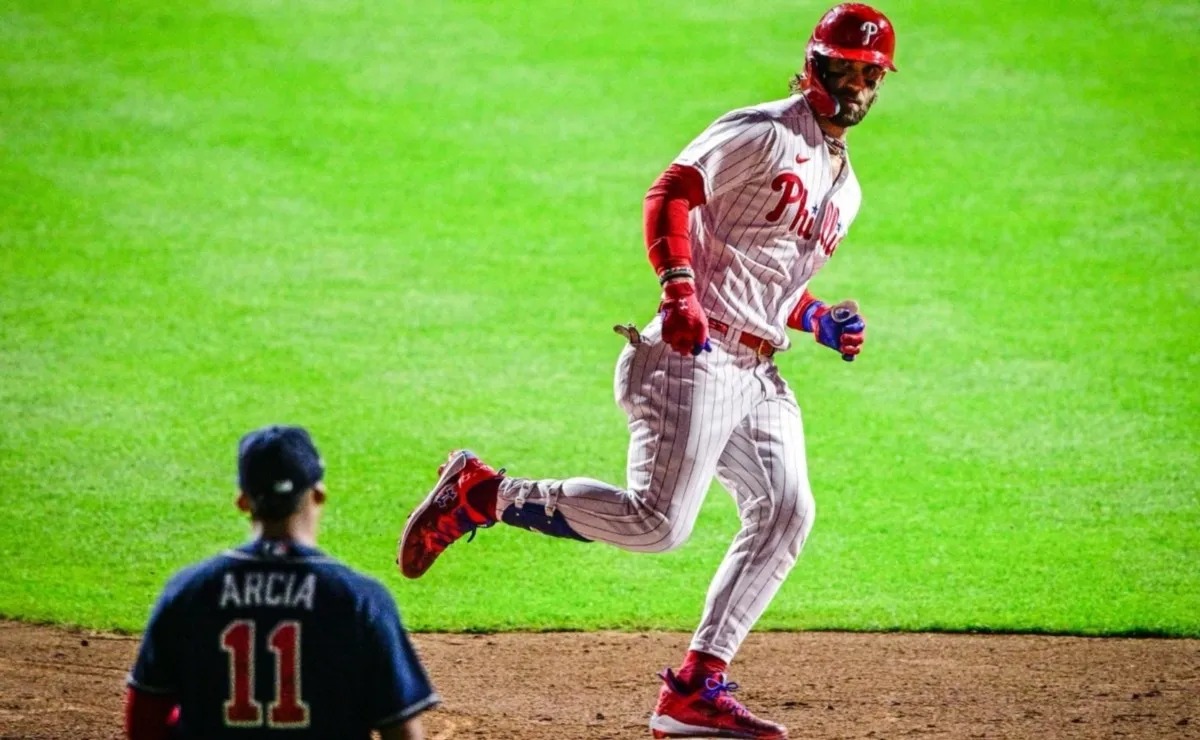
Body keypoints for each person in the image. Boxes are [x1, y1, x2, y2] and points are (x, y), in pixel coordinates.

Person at [397, 4, 896, 738]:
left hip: (754, 369)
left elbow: (768, 281)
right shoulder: (763, 130)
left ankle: (697, 686)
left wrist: (819, 319)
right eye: (844, 66)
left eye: (868, 73)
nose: (855, 83)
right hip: (690, 354)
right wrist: (677, 286)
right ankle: (484, 494)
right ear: (815, 64)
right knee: (659, 524)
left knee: (787, 511)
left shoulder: (844, 187)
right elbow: (672, 191)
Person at [126, 425, 438, 740]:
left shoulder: (188, 592)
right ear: (318, 494)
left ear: (243, 501)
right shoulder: (360, 600)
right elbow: (401, 733)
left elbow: (143, 723)